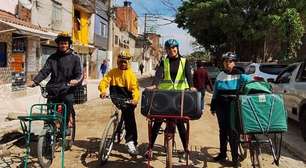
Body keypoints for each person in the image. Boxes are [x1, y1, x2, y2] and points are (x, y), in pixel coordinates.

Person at [146, 39, 196, 158]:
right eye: (168, 49)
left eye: (173, 48)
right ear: (166, 50)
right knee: (157, 121)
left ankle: (185, 149)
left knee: (180, 122)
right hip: (165, 95)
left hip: (180, 95)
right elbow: (159, 74)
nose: (171, 51)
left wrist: (191, 86)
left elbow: (188, 75)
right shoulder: (164, 61)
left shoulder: (184, 61)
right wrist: (155, 85)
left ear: (177, 48)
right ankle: (150, 148)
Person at [27, 32, 83, 133]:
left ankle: (65, 125)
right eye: (61, 43)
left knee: (68, 100)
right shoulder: (52, 58)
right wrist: (35, 81)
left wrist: (75, 81)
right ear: (58, 44)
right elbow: (45, 71)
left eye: (65, 43)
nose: (63, 45)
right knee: (50, 107)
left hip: (68, 88)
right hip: (53, 87)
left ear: (69, 44)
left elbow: (79, 74)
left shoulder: (75, 58)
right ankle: (48, 128)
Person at [210, 52, 251, 167]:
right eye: (226, 61)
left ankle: (234, 158)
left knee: (233, 131)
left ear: (234, 62)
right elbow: (215, 92)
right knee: (222, 130)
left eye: (230, 61)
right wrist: (213, 106)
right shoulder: (220, 75)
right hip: (220, 105)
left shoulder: (240, 74)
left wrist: (241, 72)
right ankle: (222, 154)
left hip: (234, 105)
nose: (228, 64)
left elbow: (249, 82)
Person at [98, 50, 140, 156]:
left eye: (125, 62)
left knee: (129, 118)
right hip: (116, 97)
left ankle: (131, 142)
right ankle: (117, 125)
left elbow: (135, 89)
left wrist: (135, 99)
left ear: (128, 63)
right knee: (118, 114)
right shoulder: (113, 72)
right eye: (121, 61)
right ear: (118, 61)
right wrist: (103, 90)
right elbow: (104, 81)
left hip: (128, 100)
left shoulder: (131, 75)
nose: (122, 64)